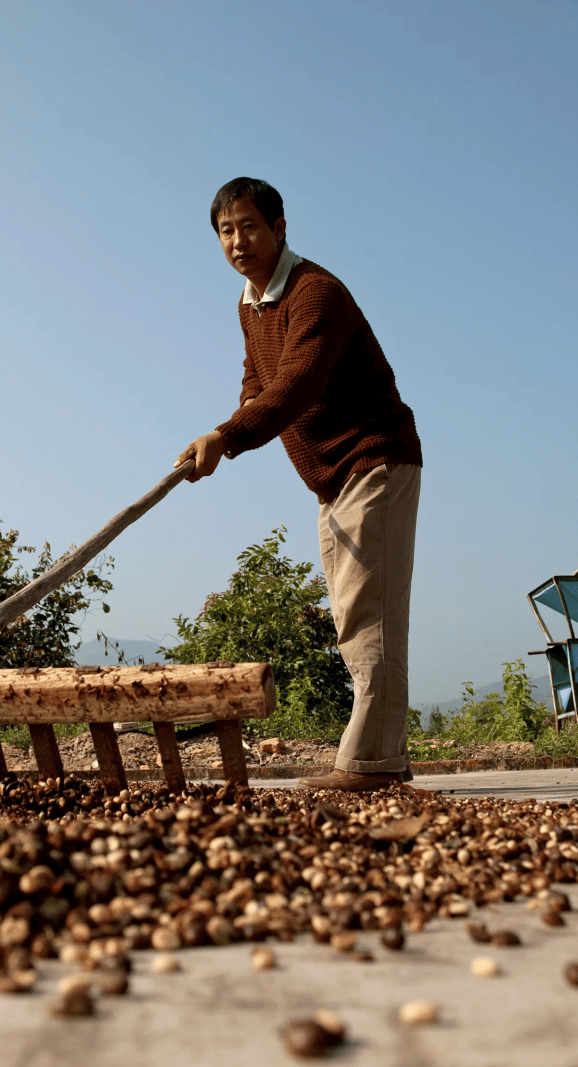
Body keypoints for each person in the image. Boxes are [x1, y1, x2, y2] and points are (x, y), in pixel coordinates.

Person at [176, 177, 423, 793]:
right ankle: (382, 756)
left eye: (250, 227)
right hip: (330, 480)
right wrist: (224, 433)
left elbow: (298, 384)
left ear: (280, 228)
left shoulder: (317, 293)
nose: (238, 241)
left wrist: (227, 436)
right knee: (353, 616)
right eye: (226, 232)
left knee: (373, 617)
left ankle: (371, 765)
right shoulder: (249, 303)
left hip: (373, 460)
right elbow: (257, 380)